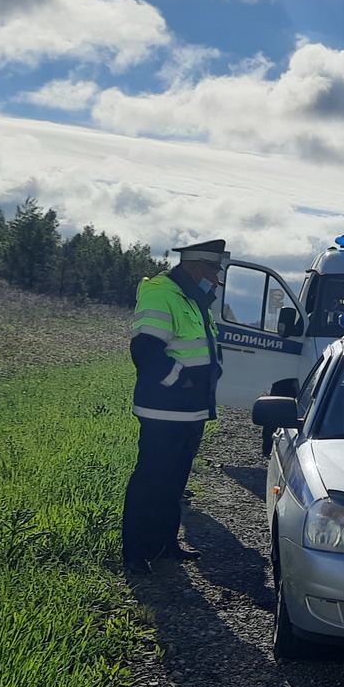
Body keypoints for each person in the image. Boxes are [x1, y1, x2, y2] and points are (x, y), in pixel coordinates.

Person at [121, 239, 227, 574]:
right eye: (213, 269)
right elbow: (147, 352)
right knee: (151, 481)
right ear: (196, 266)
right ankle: (135, 554)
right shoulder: (162, 293)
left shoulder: (194, 298)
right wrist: (181, 381)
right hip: (164, 411)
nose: (217, 276)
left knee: (174, 483)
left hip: (190, 411)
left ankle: (165, 545)